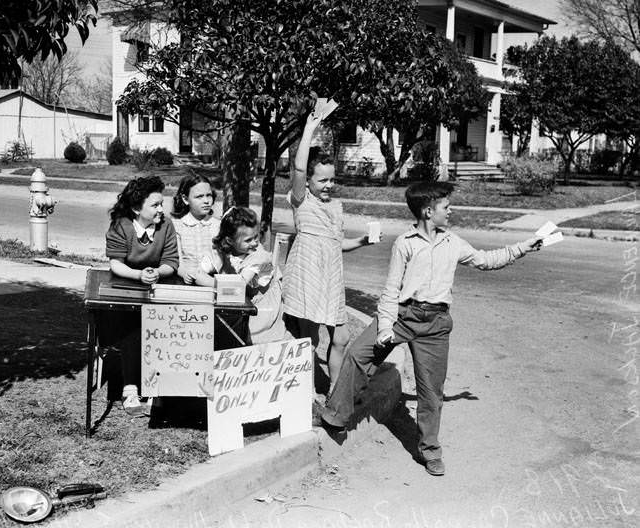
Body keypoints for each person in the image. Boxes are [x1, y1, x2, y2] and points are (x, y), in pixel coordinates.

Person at [321, 181, 543, 477]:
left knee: (431, 392)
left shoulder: (453, 242)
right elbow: (390, 290)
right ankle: (335, 417)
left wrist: (522, 248)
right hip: (402, 315)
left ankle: (430, 450)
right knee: (358, 355)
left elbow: (486, 261)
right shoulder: (405, 243)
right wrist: (385, 327)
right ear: (428, 211)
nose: (451, 211)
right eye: (446, 207)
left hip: (436, 324)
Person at [283, 110, 376, 394]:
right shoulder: (300, 200)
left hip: (331, 277)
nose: (328, 185)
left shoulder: (336, 207)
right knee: (309, 337)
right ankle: (307, 391)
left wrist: (363, 241)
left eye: (331, 180)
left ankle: (335, 389)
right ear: (309, 181)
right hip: (307, 273)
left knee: (342, 337)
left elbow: (337, 245)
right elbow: (298, 169)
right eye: (322, 180)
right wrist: (310, 127)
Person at [105, 175, 178, 415]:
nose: (161, 209)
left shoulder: (166, 226)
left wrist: (156, 272)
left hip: (157, 286)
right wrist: (138, 275)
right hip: (125, 286)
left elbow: (171, 262)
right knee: (132, 327)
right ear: (137, 208)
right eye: (155, 205)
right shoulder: (120, 225)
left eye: (161, 203)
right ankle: (130, 387)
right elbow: (116, 264)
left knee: (164, 326)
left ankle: (157, 385)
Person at [194, 206, 288, 344]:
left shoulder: (258, 256)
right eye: (248, 240)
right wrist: (198, 274)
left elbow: (239, 285)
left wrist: (212, 283)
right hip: (238, 301)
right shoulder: (223, 252)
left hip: (261, 304)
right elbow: (199, 272)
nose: (255, 242)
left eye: (256, 237)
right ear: (230, 241)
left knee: (258, 341)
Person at [171, 173, 220, 284]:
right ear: (185, 199)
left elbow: (221, 259)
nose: (206, 201)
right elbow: (176, 259)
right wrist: (183, 272)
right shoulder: (177, 225)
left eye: (209, 195)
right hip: (184, 280)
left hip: (212, 279)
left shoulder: (218, 225)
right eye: (199, 196)